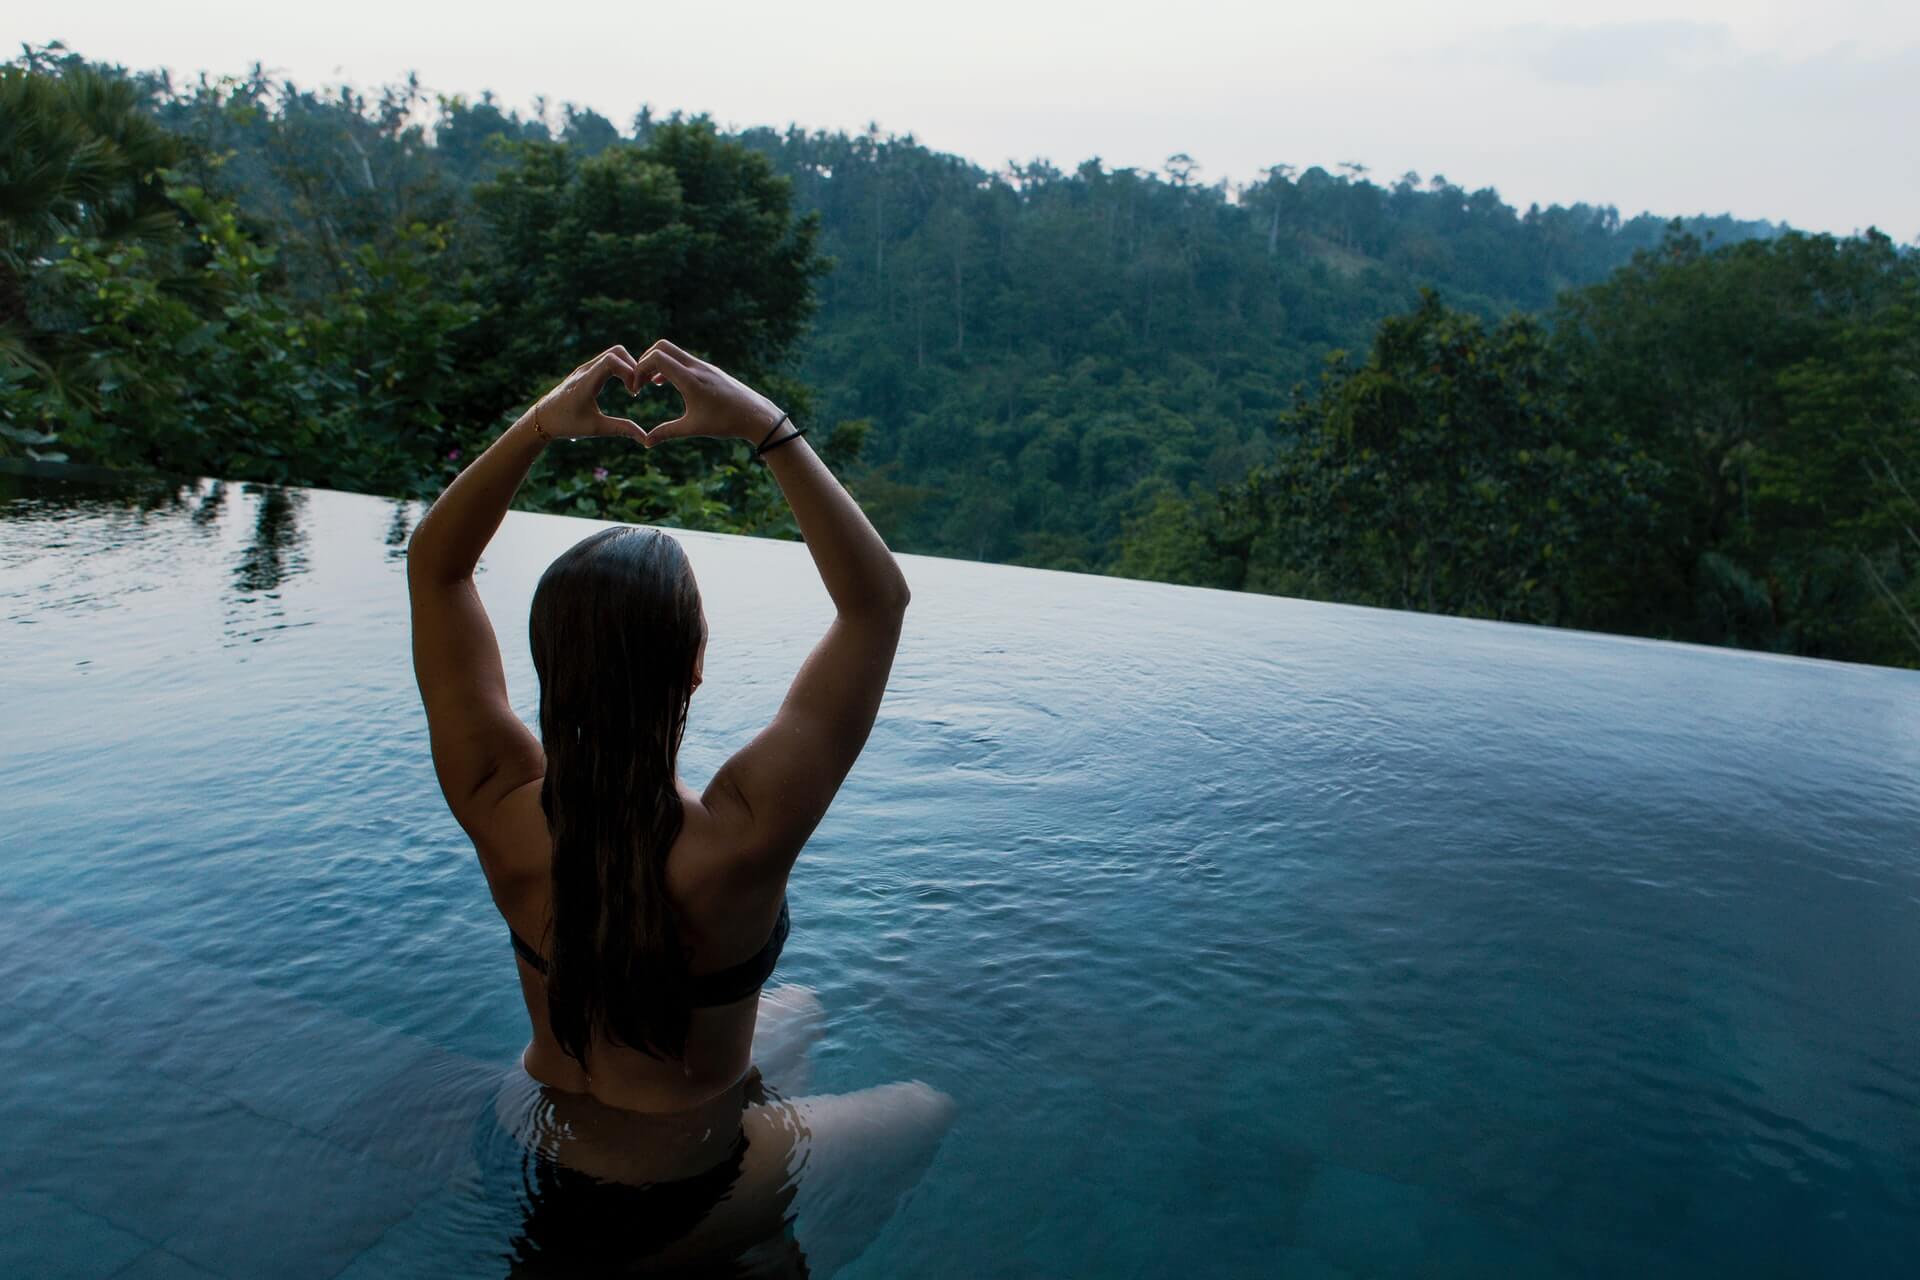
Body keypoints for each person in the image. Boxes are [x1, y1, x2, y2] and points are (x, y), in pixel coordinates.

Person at [407, 340, 953, 1274]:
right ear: (695, 665)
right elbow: (877, 606)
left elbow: (436, 568)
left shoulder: (497, 798)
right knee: (928, 1109)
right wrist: (766, 427)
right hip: (676, 1185)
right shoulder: (742, 833)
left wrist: (541, 424)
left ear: (547, 667)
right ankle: (733, 1244)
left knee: (804, 1010)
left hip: (522, 1132)